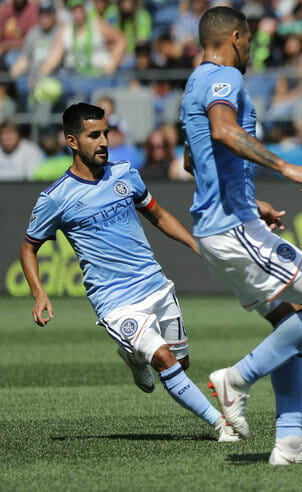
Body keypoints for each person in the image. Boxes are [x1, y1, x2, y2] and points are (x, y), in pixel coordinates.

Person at [179, 6, 302, 464]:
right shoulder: (224, 77)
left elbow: (195, 163)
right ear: (235, 37)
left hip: (223, 227)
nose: (251, 50)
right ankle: (237, 378)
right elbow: (224, 130)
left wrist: (254, 203)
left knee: (289, 324)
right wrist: (285, 167)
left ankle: (289, 444)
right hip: (234, 230)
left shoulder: (192, 83)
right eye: (249, 40)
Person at [19, 103, 236, 441]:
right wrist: (39, 292)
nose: (104, 141)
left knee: (181, 364)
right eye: (94, 135)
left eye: (106, 133)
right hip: (115, 302)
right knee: (164, 359)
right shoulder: (56, 198)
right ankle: (223, 425)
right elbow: (28, 248)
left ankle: (132, 356)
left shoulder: (125, 174)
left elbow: (159, 215)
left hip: (155, 285)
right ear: (73, 142)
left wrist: (195, 244)